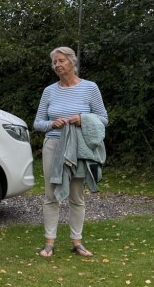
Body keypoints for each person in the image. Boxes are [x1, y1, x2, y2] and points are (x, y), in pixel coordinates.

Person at [33, 46, 108, 257]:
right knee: (51, 195)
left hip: (78, 149)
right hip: (53, 146)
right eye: (54, 62)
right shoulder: (49, 91)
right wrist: (51, 124)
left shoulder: (90, 88)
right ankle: (49, 242)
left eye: (61, 60)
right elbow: (37, 122)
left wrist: (83, 119)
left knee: (77, 196)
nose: (57, 65)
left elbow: (103, 119)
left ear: (72, 62)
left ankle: (77, 241)